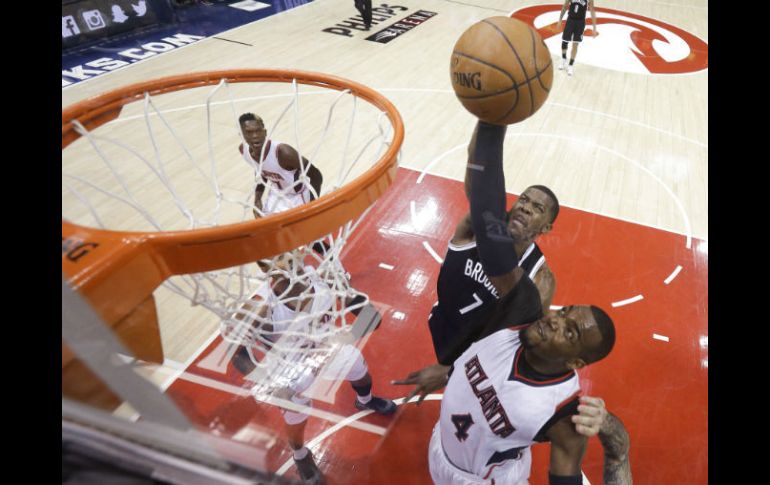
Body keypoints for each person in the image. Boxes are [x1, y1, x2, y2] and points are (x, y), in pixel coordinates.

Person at [400, 120, 616, 485]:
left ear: (546, 228)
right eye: (525, 200)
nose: (525, 208)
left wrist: (455, 369)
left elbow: (520, 339)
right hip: (444, 326)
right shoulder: (480, 227)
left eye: (537, 209)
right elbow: (478, 187)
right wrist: (488, 118)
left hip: (476, 348)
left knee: (489, 409)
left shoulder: (539, 280)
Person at [227, 254, 394, 485]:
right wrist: (271, 384)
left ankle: (364, 400)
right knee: (297, 416)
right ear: (266, 267)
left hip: (328, 347)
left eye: (292, 252)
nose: (292, 258)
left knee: (361, 373)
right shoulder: (259, 305)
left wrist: (347, 330)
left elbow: (372, 317)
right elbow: (237, 355)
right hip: (290, 367)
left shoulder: (323, 278)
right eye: (281, 258)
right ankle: (300, 455)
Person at [238, 113, 323, 218]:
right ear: (241, 135)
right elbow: (261, 171)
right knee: (264, 228)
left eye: (258, 131)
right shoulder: (244, 151)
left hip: (298, 197)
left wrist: (312, 204)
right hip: (276, 194)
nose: (255, 135)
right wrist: (257, 199)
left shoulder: (283, 153)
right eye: (249, 132)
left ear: (265, 132)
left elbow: (317, 175)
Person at [557, 0, 598, 76]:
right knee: (564, 41)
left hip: (580, 22)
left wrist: (594, 27)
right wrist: (560, 19)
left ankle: (571, 65)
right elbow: (565, 6)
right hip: (570, 20)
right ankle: (563, 59)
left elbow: (592, 10)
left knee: (575, 44)